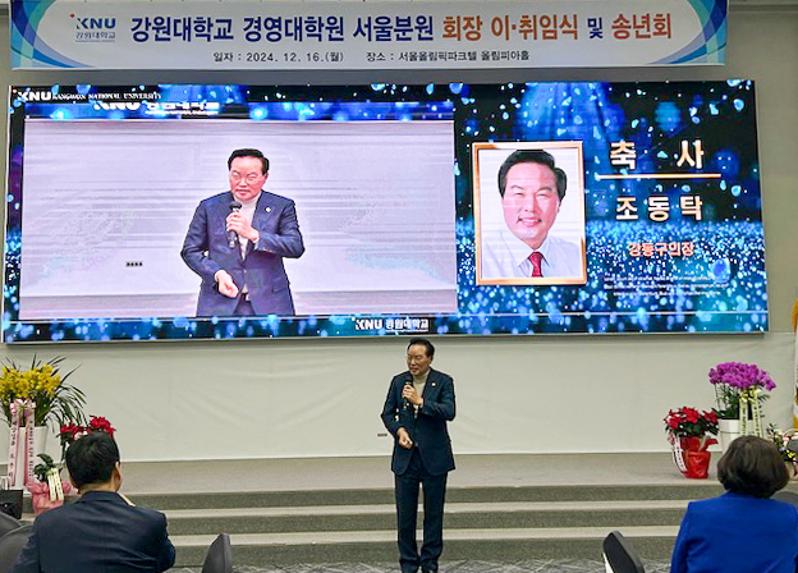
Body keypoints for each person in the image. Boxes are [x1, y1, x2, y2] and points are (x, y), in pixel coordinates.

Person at [13, 432, 175, 573]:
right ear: (117, 470)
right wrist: (132, 509)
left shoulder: (47, 524)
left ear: (72, 480)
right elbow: (166, 560)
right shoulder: (149, 522)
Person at [181, 148, 305, 317]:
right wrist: (216, 274)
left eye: (251, 177)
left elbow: (295, 246)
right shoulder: (209, 207)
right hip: (220, 301)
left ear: (265, 177)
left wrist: (254, 235)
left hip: (270, 302)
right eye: (236, 175)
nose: (242, 183)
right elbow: (190, 250)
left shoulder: (281, 206)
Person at [380, 338, 456, 573]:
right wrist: (399, 431)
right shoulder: (398, 381)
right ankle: (408, 564)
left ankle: (430, 564)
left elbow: (449, 411)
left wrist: (420, 402)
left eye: (418, 358)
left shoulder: (443, 381)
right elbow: (387, 414)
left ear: (429, 359)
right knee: (405, 517)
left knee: (433, 515)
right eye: (409, 357)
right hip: (406, 459)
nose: (412, 362)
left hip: (435, 458)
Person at [670, 435, 798, 573]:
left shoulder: (699, 512)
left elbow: (678, 566)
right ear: (777, 472)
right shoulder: (789, 515)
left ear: (726, 467)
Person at [480, 149, 583, 281]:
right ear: (502, 200)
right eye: (519, 194)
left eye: (542, 195)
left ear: (559, 203)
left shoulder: (576, 258)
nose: (530, 207)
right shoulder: (479, 259)